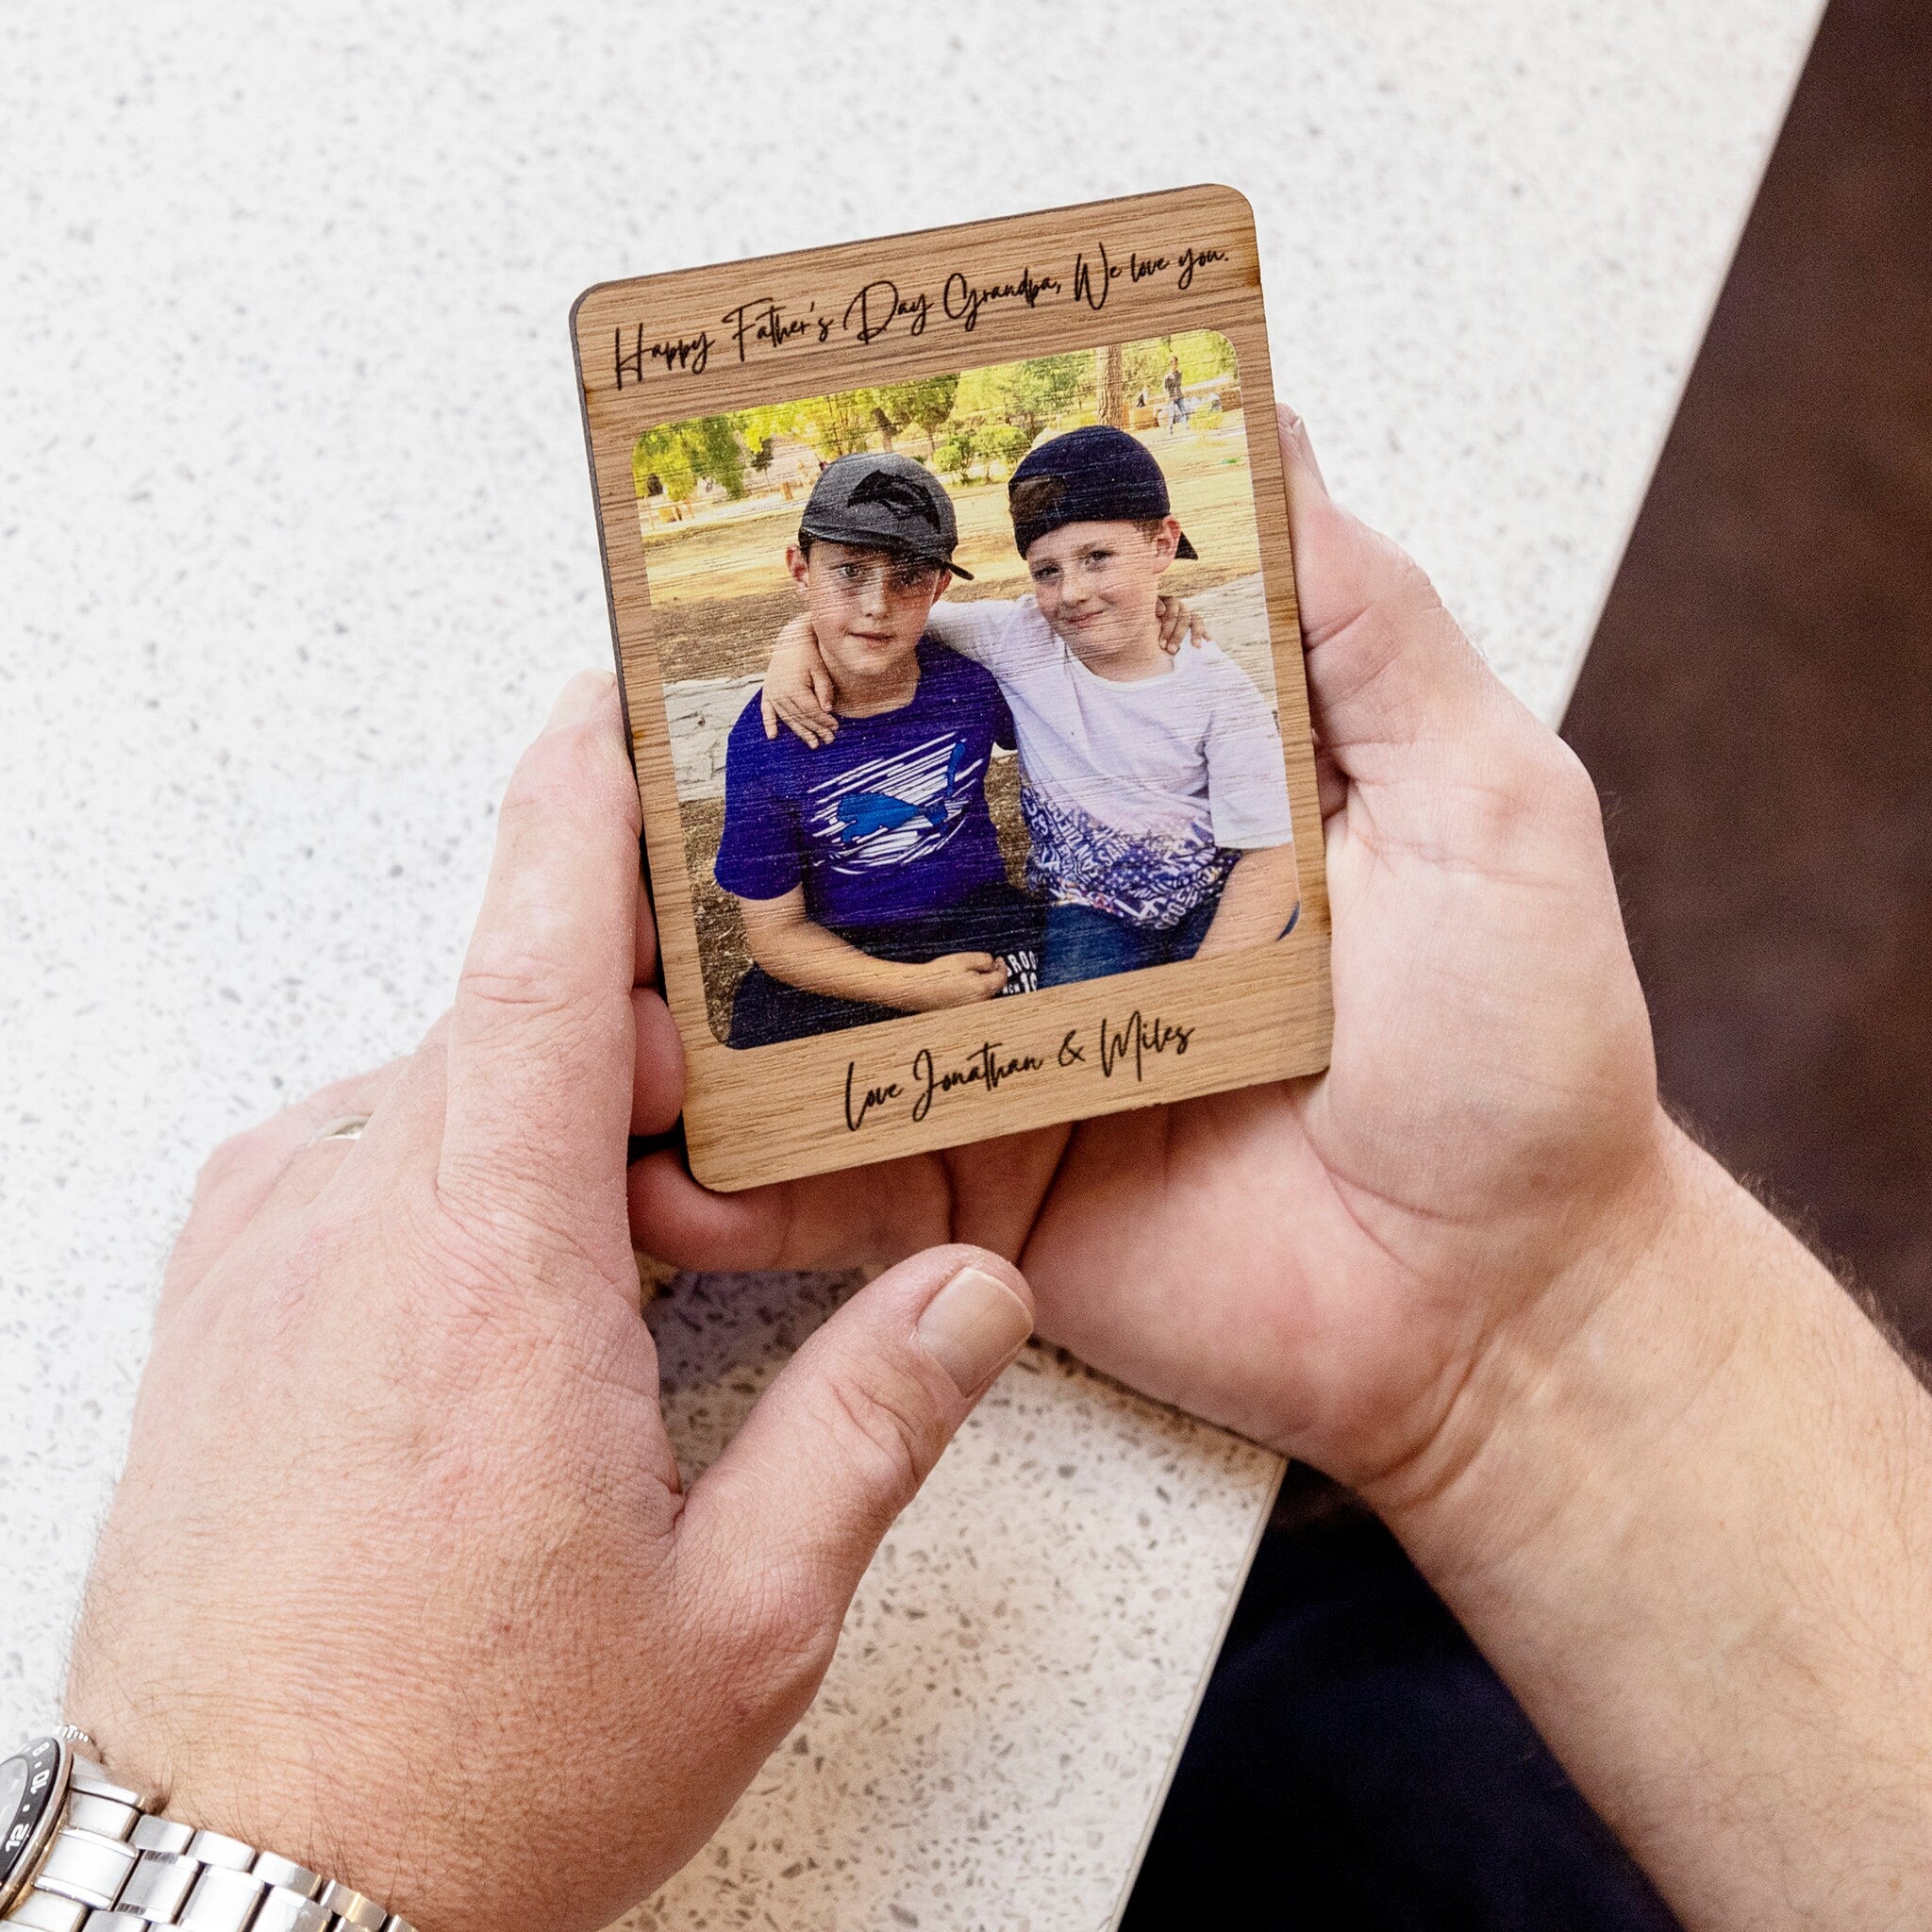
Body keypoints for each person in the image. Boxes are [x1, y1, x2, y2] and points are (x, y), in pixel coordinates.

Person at [36, 410, 1932, 1932]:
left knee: (1327, 1723)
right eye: (1021, 569)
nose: (1021, 596)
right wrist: (1545, 1311)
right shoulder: (930, 660)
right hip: (977, 1025)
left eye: (1076, 556)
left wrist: (243, 1873)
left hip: (1136, 996)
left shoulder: (1132, 682)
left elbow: (1234, 856)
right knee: (1342, 1711)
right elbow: (780, 742)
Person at [761, 426, 1300, 988]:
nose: (1071, 593)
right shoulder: (1018, 638)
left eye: (1098, 558)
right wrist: (794, 640)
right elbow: (891, 620)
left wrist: (1206, 990)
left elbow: (1271, 857)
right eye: (1047, 571)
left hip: (1213, 895)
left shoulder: (1220, 692)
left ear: (1163, 544)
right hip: (1086, 909)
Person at [712, 451, 1042, 1046]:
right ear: (800, 569)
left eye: (910, 576)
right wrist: (913, 990)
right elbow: (777, 934)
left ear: (941, 585)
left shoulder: (972, 683)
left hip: (977, 918)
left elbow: (1090, 680)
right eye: (849, 570)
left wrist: (1155, 619)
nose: (877, 604)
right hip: (845, 952)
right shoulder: (762, 742)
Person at [1162, 353, 1187, 434]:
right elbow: (1165, 388)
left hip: (1179, 395)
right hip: (1171, 397)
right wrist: (1167, 397)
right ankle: (1170, 430)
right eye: (1174, 363)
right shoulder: (1168, 376)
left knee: (1183, 412)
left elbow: (1179, 384)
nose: (1175, 365)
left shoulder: (1179, 374)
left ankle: (1186, 427)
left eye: (1176, 363)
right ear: (1171, 364)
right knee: (1171, 414)